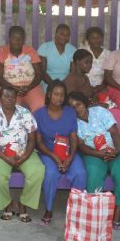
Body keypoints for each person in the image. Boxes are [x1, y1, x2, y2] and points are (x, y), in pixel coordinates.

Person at [67, 91, 120, 230]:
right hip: (93, 153)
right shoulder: (73, 123)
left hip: (116, 148)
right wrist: (98, 153)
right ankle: (95, 212)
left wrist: (116, 151)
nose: (76, 109)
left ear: (85, 103)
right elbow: (82, 146)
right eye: (72, 107)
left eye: (78, 104)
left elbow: (115, 132)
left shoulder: (99, 112)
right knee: (93, 174)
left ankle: (117, 214)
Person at [33, 80, 86, 226]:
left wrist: (70, 157)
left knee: (80, 173)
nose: (59, 98)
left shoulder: (70, 112)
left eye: (62, 95)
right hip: (48, 153)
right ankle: (49, 209)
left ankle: (76, 211)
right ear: (49, 94)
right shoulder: (39, 114)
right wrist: (54, 157)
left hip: (69, 152)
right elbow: (39, 142)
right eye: (56, 94)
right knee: (50, 174)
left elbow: (74, 138)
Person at [0, 86, 45, 223]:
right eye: (6, 96)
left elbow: (32, 139)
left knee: (38, 172)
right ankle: (7, 205)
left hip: (24, 151)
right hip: (1, 153)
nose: (9, 99)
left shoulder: (25, 113)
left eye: (12, 97)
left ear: (16, 98)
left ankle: (23, 205)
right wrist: (6, 158)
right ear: (0, 99)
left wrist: (25, 156)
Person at [64, 49, 120, 137]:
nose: (89, 65)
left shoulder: (84, 77)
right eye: (86, 62)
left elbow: (89, 93)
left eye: (91, 63)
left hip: (91, 107)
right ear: (77, 62)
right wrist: (96, 106)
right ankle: (113, 141)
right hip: (82, 112)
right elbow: (71, 105)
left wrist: (98, 92)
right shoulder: (72, 79)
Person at [0, 25, 45, 112]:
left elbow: (39, 74)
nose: (17, 41)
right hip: (9, 87)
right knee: (9, 109)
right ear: (9, 38)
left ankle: (35, 126)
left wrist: (28, 88)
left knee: (40, 106)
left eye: (20, 38)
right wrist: (14, 88)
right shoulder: (2, 52)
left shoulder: (30, 51)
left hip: (31, 86)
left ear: (24, 39)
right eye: (14, 38)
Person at [38, 24, 77, 91]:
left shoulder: (72, 50)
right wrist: (52, 85)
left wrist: (63, 84)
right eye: (62, 34)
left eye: (67, 35)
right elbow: (42, 71)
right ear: (56, 34)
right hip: (47, 81)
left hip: (66, 82)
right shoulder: (45, 47)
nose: (65, 37)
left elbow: (72, 72)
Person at [84, 27, 110, 93]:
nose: (96, 40)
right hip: (83, 86)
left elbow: (110, 75)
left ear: (102, 39)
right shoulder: (82, 51)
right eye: (93, 38)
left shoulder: (108, 54)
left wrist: (102, 86)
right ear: (88, 39)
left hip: (102, 87)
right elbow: (76, 72)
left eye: (98, 38)